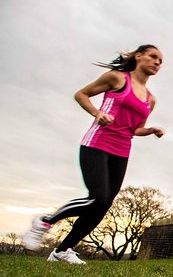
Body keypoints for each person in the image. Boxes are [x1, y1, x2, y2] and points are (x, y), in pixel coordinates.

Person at [22, 45, 165, 264]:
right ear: (139, 56)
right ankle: (45, 221)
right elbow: (81, 94)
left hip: (122, 150)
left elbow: (135, 129)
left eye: (160, 61)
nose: (157, 62)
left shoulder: (150, 99)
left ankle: (63, 250)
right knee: (97, 197)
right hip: (97, 143)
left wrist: (151, 130)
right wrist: (98, 113)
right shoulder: (118, 79)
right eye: (153, 56)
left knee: (104, 203)